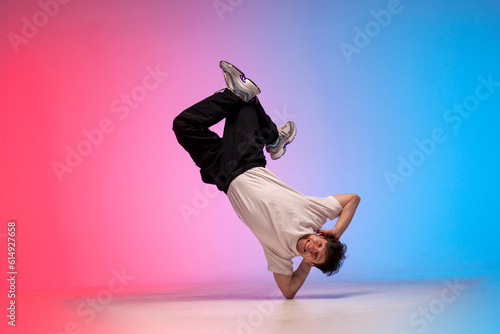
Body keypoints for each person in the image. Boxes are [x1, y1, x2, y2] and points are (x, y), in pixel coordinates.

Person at [172, 61, 360, 299]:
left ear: (310, 261)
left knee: (184, 124)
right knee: (242, 102)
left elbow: (289, 291)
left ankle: (272, 137)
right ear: (320, 237)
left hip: (220, 173)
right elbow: (353, 199)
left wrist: (306, 265)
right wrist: (337, 232)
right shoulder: (315, 215)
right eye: (319, 245)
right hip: (245, 159)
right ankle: (268, 133)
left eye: (315, 255)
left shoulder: (280, 254)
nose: (312, 248)